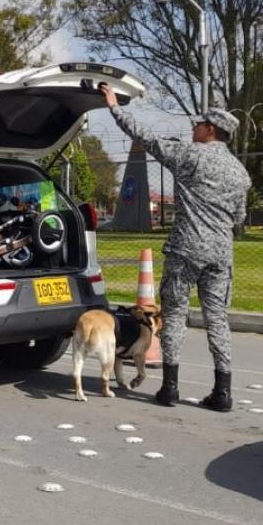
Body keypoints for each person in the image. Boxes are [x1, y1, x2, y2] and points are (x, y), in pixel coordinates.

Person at [99, 82, 250, 411]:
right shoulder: (240, 173)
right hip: (220, 255)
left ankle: (170, 388)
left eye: (198, 124)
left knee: (176, 316)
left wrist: (114, 106)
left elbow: (147, 138)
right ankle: (222, 392)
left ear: (211, 130)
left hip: (186, 250)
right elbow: (239, 216)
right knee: (218, 319)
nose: (193, 128)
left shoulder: (191, 155)